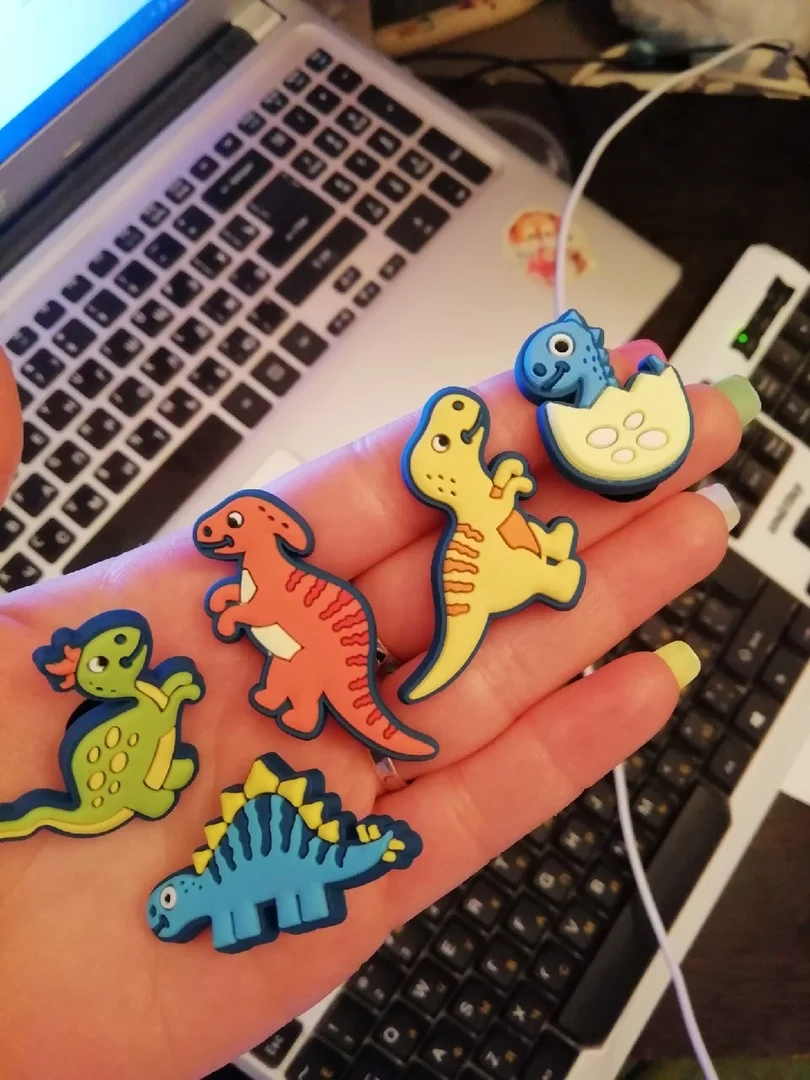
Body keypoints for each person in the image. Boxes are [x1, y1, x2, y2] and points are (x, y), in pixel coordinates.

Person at [0, 340, 757, 1079]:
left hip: (387, 619)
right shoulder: (264, 583)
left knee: (470, 609)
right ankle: (530, 583)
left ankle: (539, 579)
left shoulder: (306, 567)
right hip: (333, 656)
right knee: (325, 679)